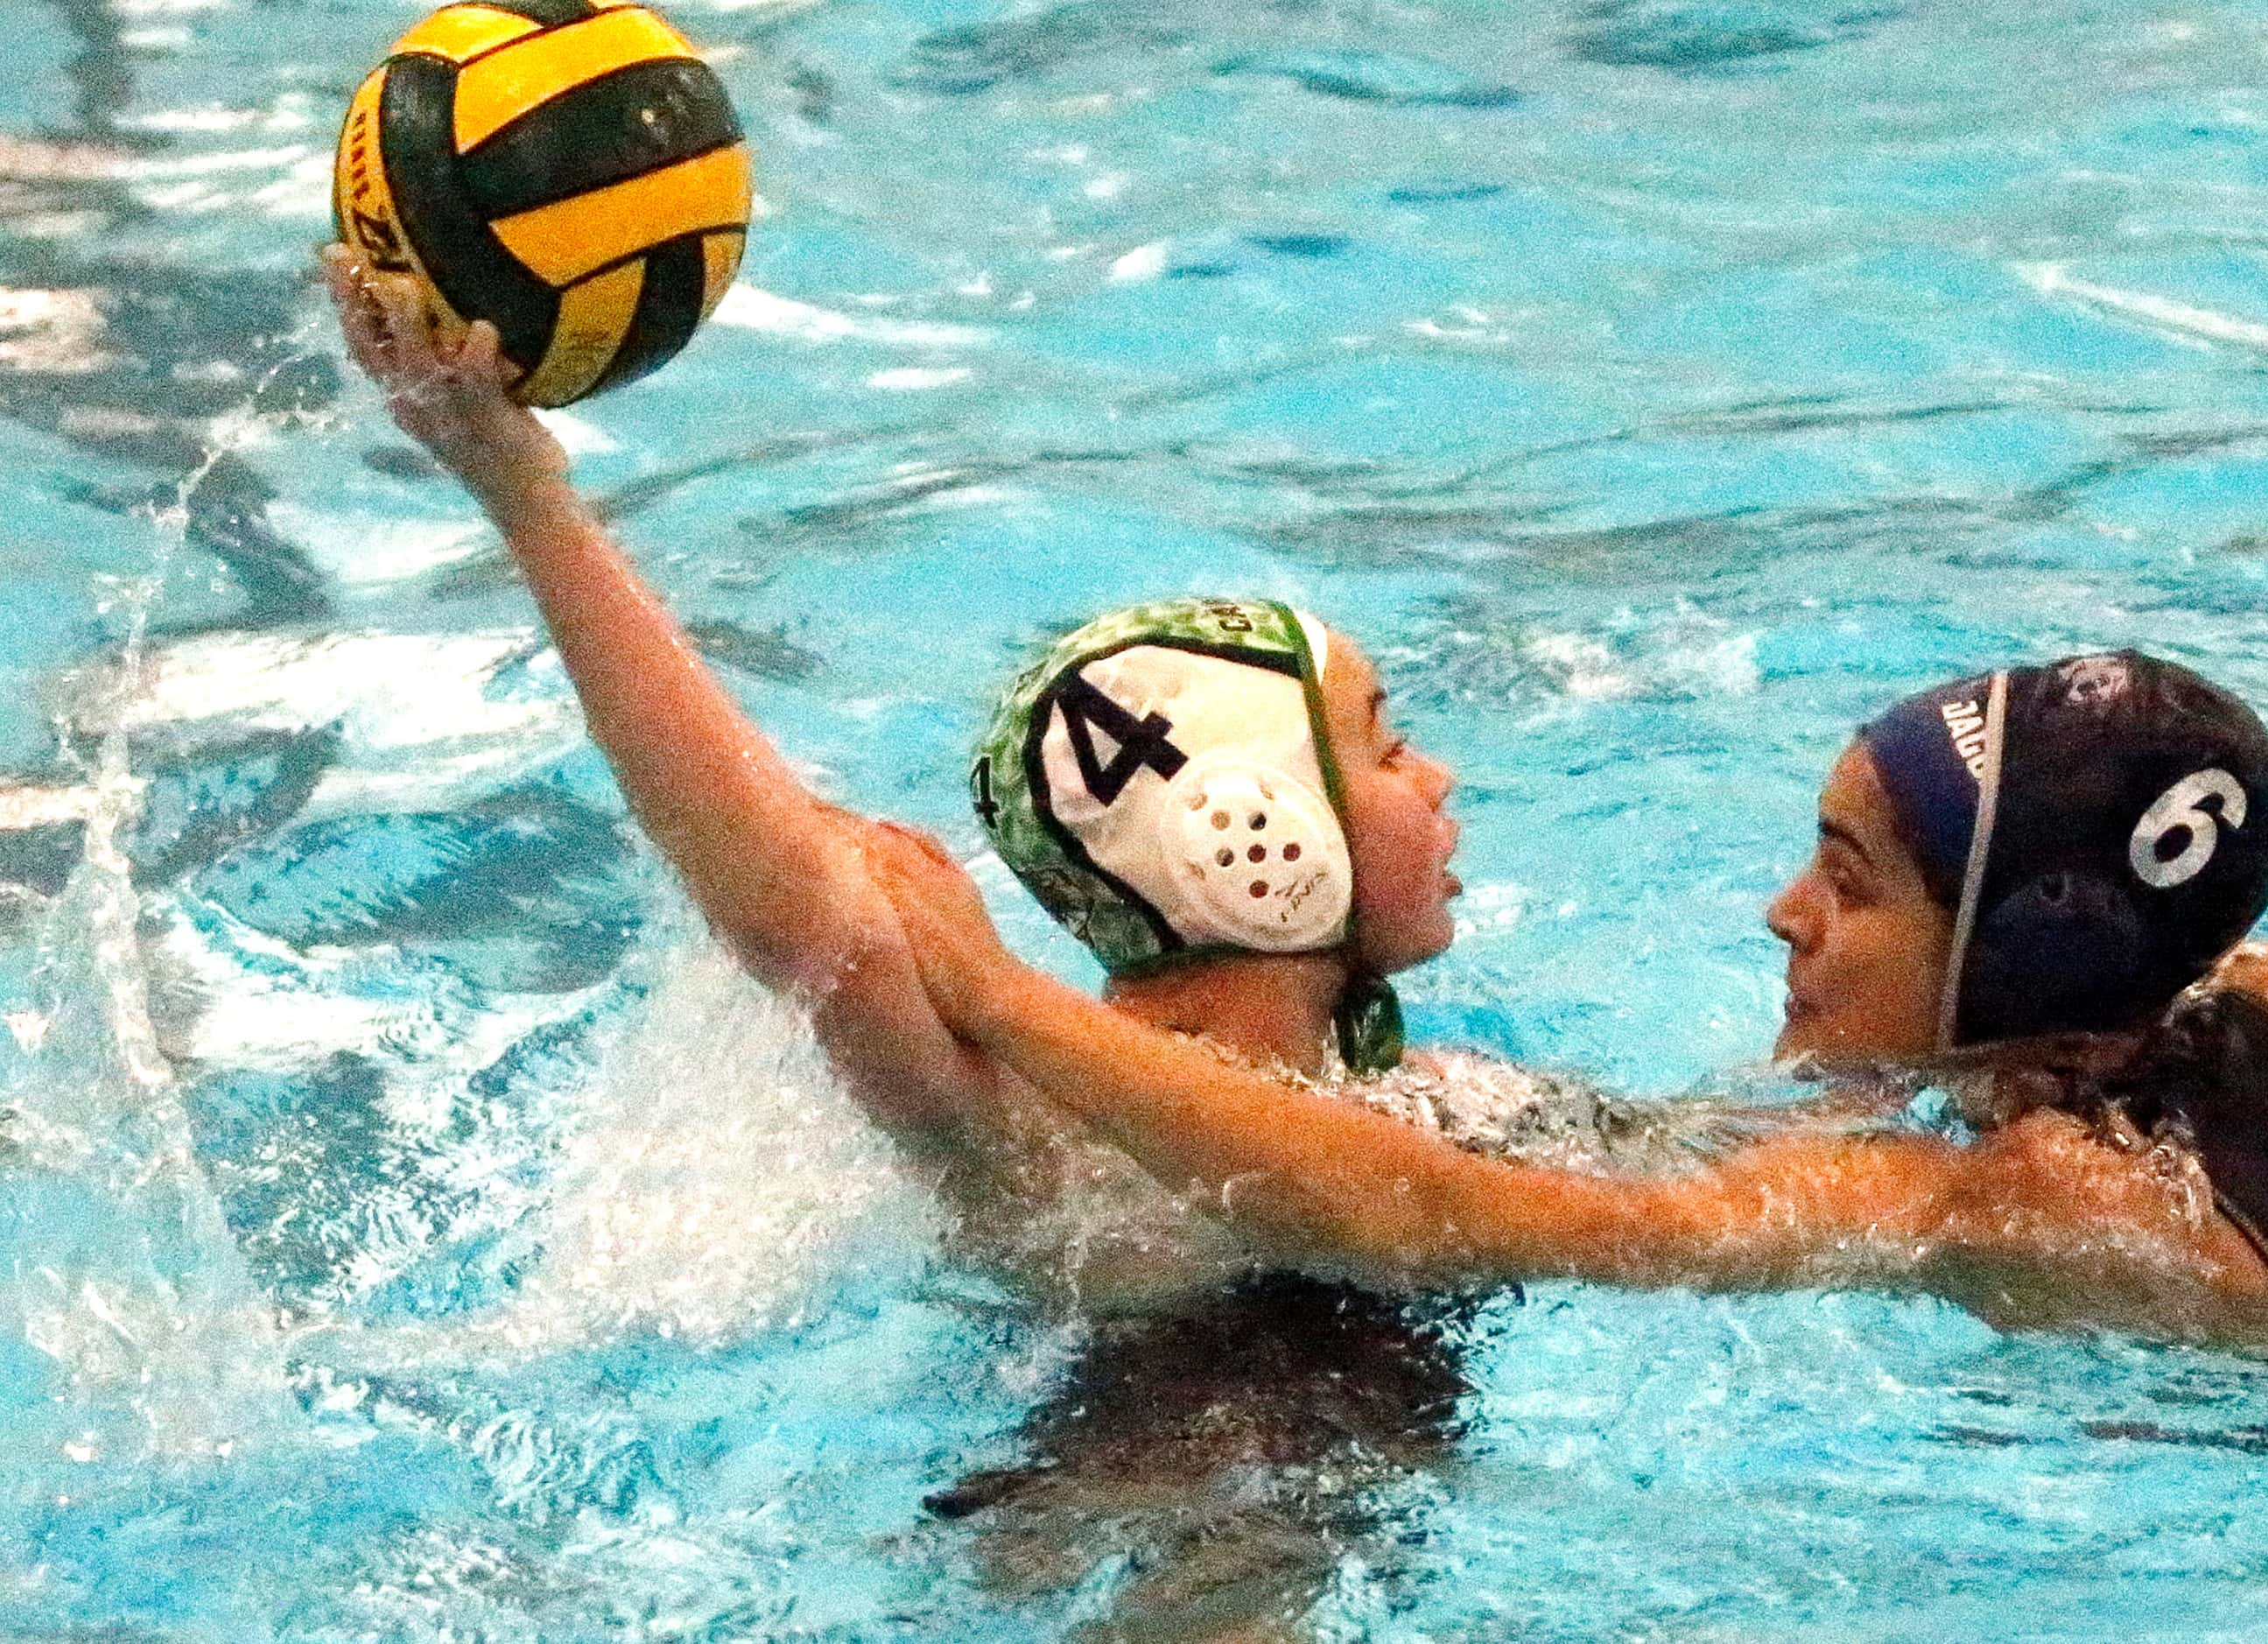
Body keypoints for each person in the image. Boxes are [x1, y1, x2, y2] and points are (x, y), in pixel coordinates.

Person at [319, 247, 1479, 1641]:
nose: (1438, 779)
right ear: (1255, 832)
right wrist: (528, 497)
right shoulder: (1061, 1140)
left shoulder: (1437, 1102)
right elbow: (794, 917)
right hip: (1163, 1550)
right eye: (1385, 744)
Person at [880, 653, 2268, 1344]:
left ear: (2020, 963)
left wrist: (1005, 1004)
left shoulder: (2013, 1196)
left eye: (1849, 885)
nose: (1784, 916)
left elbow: (1425, 1216)